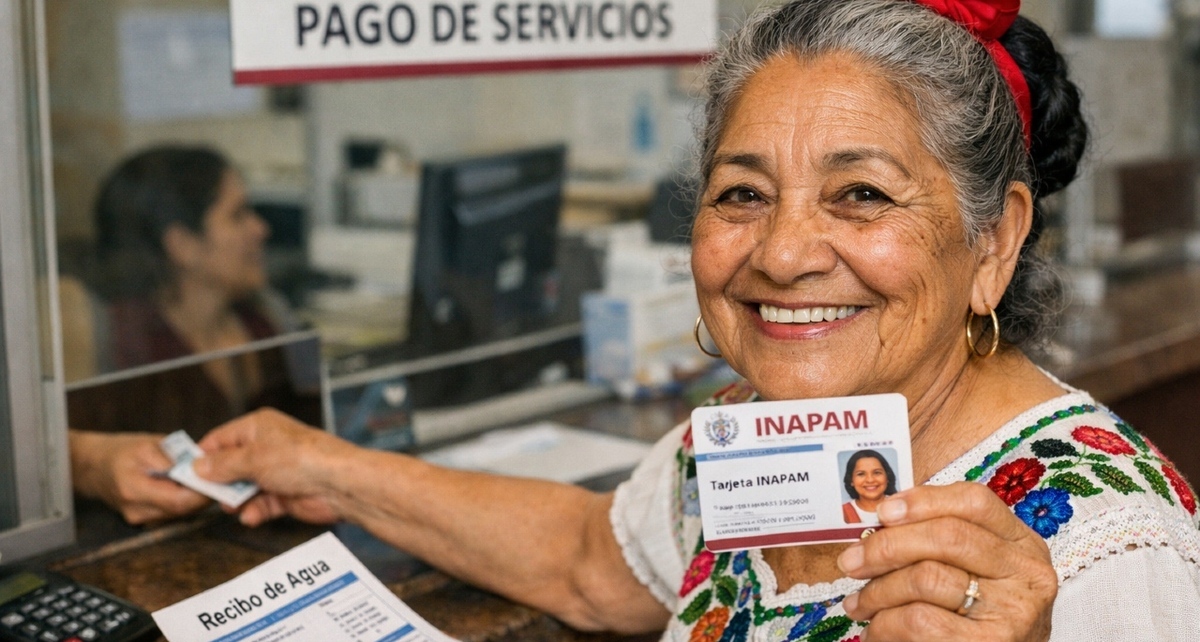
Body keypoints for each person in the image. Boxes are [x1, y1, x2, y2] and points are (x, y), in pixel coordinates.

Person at [193, 0, 1200, 639]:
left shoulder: (1112, 545)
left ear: (991, 241)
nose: (781, 252)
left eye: (860, 194)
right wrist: (322, 465)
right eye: (742, 194)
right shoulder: (759, 441)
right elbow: (594, 559)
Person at [68, 145, 293, 525]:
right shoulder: (119, 341)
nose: (261, 229)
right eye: (237, 216)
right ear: (183, 245)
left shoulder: (268, 316)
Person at [842, 450, 897, 524]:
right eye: (861, 474)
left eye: (877, 472)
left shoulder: (899, 506)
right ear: (851, 481)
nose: (870, 480)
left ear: (887, 477)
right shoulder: (843, 512)